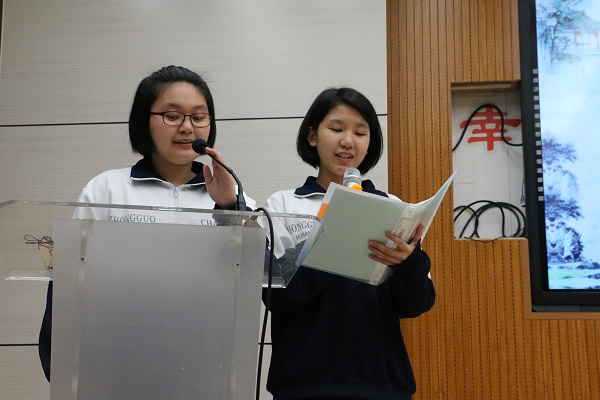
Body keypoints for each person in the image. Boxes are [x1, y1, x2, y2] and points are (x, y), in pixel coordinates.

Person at [38, 65, 256, 381]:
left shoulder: (232, 195)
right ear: (144, 121)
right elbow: (67, 284)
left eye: (198, 117)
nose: (187, 128)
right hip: (117, 363)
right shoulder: (107, 190)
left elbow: (256, 277)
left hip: (205, 366)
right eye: (172, 116)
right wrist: (62, 367)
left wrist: (228, 208)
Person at [262, 87, 435, 399]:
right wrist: (335, 231)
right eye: (336, 128)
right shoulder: (284, 204)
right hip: (304, 383)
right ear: (312, 136)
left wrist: (410, 265)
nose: (348, 141)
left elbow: (414, 305)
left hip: (381, 383)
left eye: (360, 132)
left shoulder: (393, 207)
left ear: (370, 142)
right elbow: (277, 297)